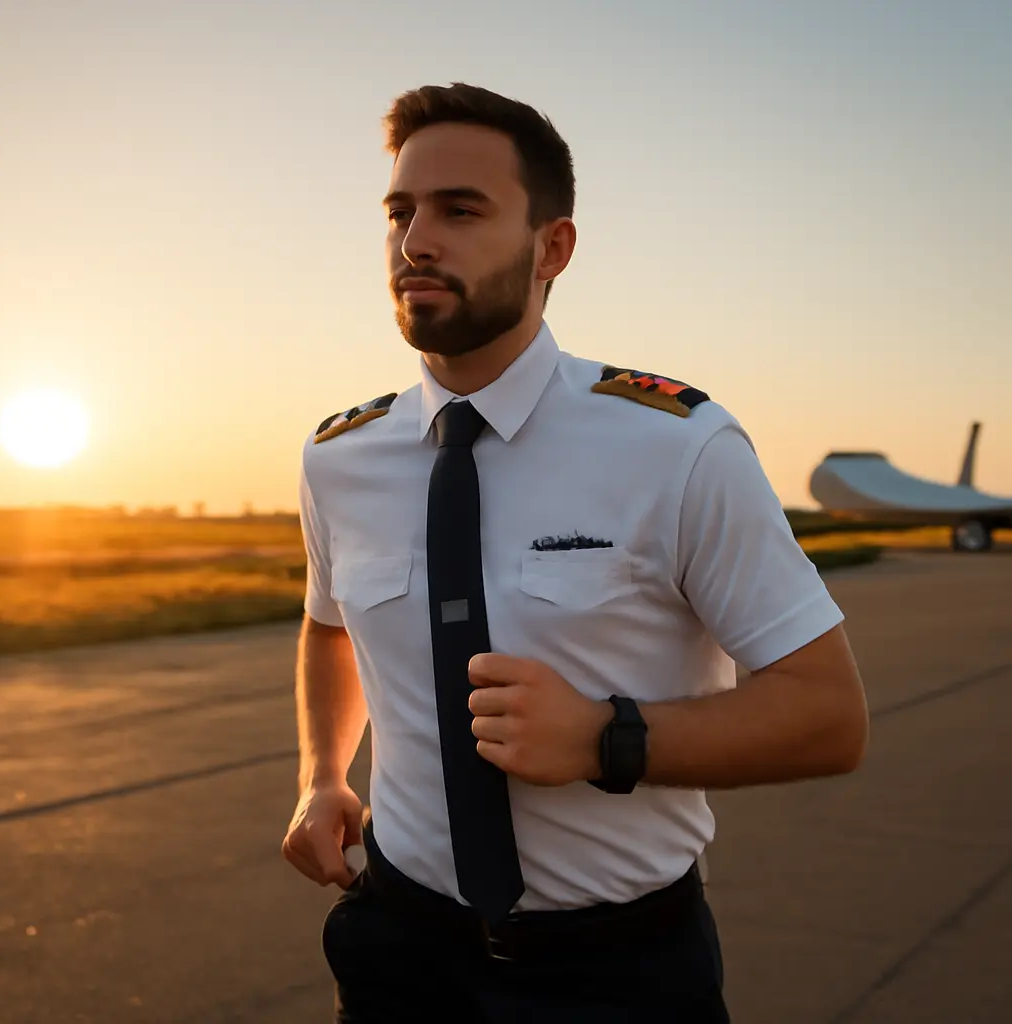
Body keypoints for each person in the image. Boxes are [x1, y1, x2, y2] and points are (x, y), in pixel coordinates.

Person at [281, 82, 869, 1023]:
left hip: (615, 973)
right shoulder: (339, 457)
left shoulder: (678, 445)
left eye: (460, 211)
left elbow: (830, 717)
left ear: (552, 247)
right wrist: (322, 777)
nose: (415, 241)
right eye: (400, 211)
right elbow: (330, 630)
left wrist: (607, 736)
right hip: (396, 952)